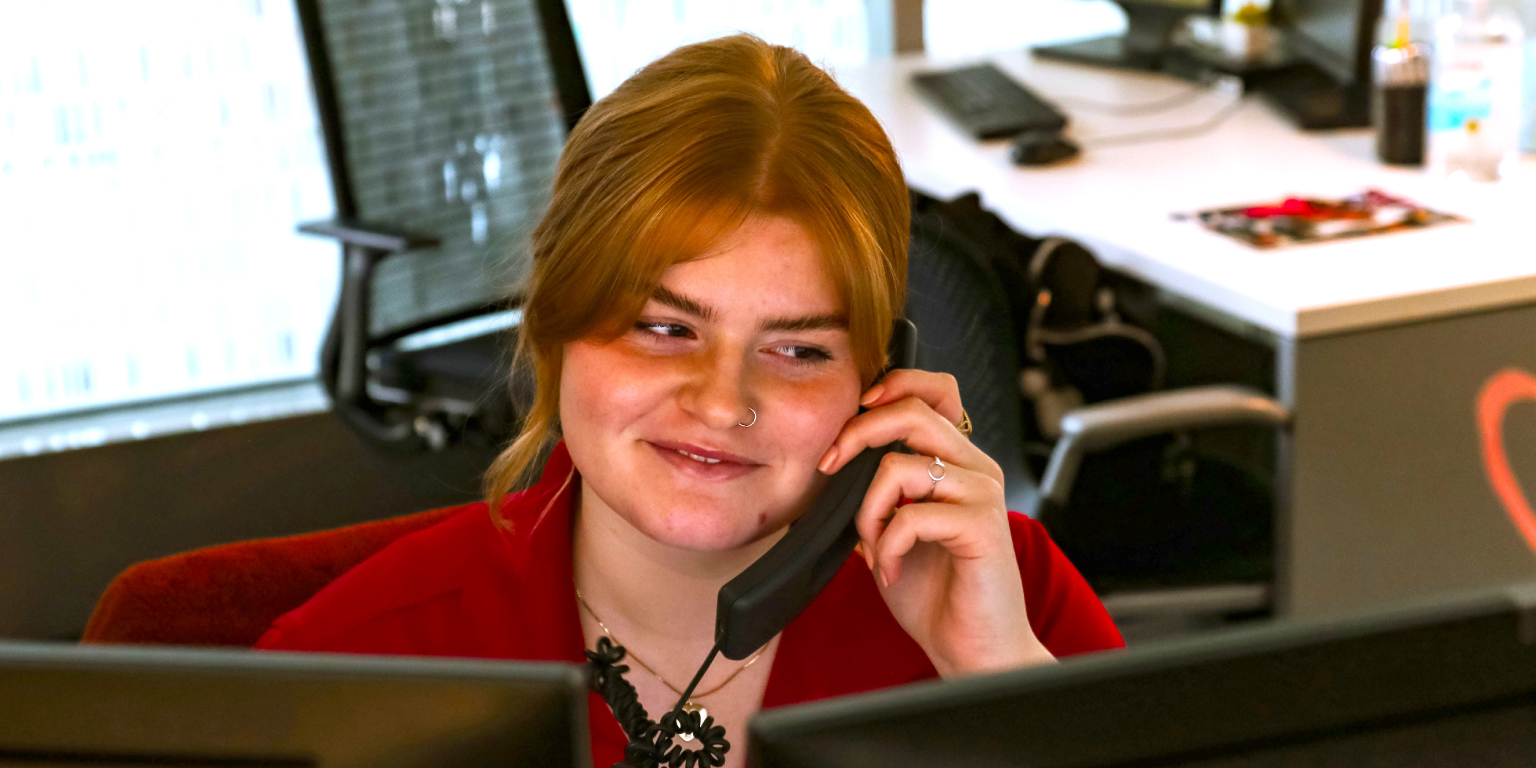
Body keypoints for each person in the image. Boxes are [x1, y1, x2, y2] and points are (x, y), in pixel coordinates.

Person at [257, 33, 1122, 768]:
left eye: (798, 349)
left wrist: (996, 678)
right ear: (556, 324)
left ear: (879, 377)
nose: (721, 403)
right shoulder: (354, 665)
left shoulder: (1008, 596)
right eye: (664, 329)